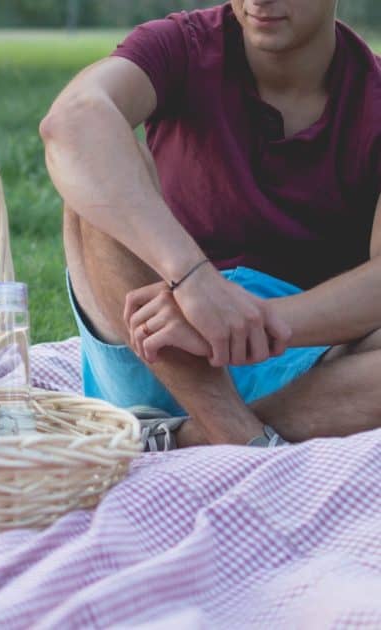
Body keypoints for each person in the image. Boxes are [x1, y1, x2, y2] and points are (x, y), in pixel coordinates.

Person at [39, 0, 381, 449]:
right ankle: (245, 439)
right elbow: (71, 121)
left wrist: (245, 324)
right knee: (97, 179)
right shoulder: (182, 45)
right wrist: (194, 283)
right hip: (156, 352)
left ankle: (180, 439)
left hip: (302, 369)